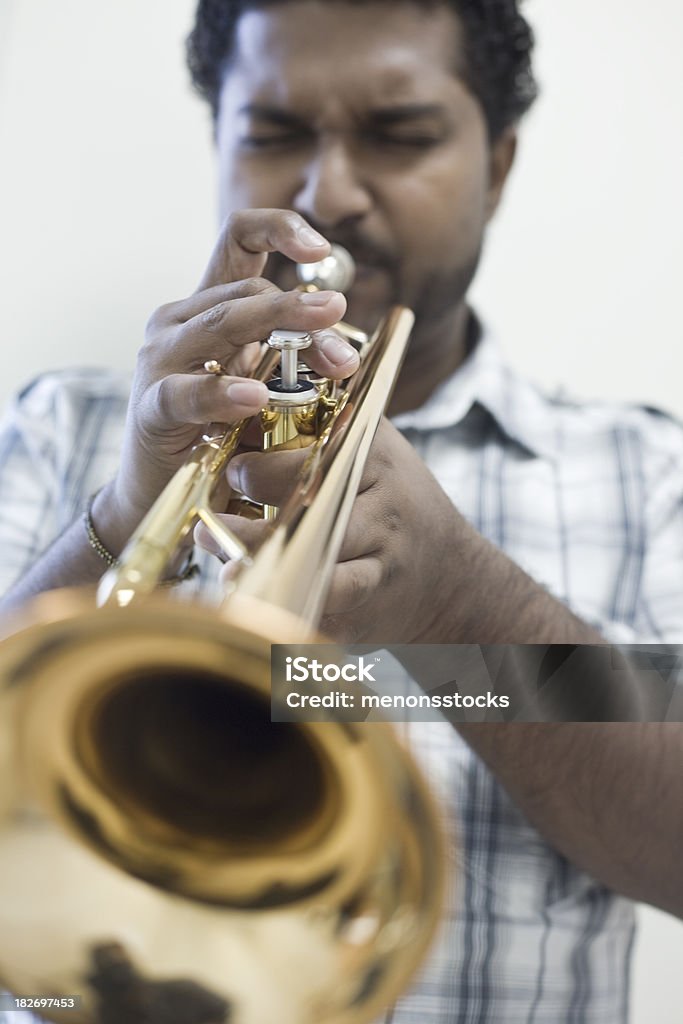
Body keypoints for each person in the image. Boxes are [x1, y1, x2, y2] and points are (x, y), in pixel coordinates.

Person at [0, 1, 682, 1022]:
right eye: (271, 134)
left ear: (495, 165)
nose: (327, 192)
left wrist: (457, 600)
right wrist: (125, 508)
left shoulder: (643, 466)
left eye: (398, 135)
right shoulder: (60, 421)